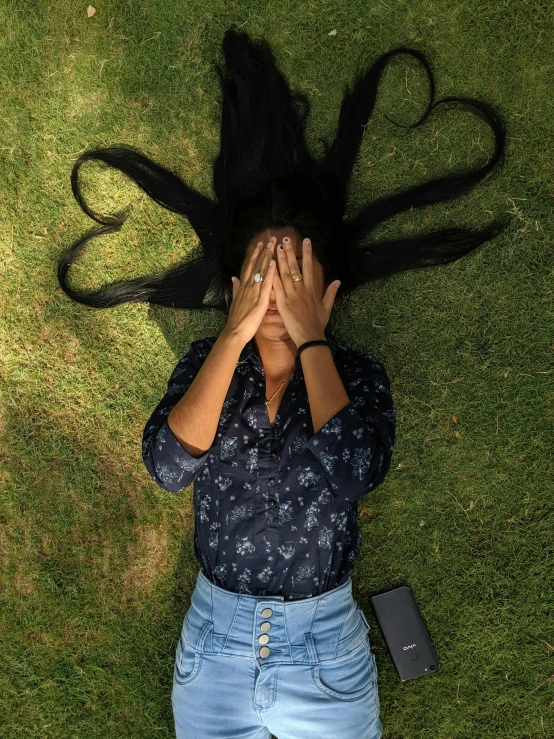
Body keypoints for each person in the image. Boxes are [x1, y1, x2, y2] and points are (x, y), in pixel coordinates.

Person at [57, 24, 511, 739]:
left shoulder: (354, 375)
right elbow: (168, 467)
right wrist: (235, 332)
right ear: (235, 286)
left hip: (325, 647)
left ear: (326, 294)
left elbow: (357, 468)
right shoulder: (210, 363)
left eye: (294, 280)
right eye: (262, 281)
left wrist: (309, 339)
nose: (275, 297)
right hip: (214, 647)